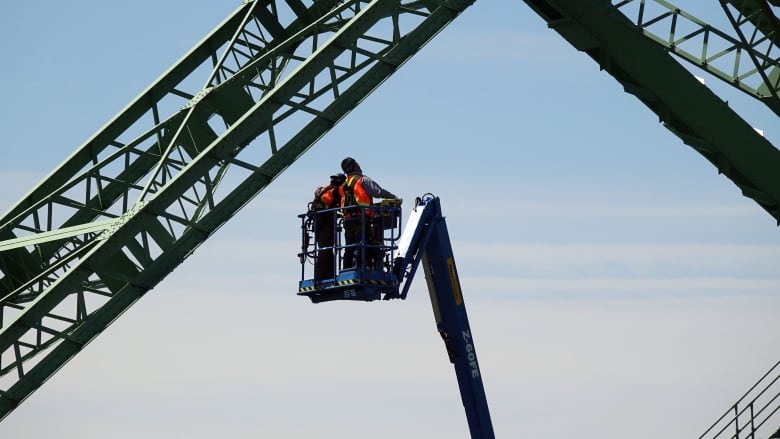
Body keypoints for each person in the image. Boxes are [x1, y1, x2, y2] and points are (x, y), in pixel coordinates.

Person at [338, 157, 399, 271]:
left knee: (349, 247)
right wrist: (393, 197)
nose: (359, 166)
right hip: (361, 218)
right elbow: (378, 192)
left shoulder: (344, 184)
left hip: (347, 220)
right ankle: (359, 268)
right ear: (353, 167)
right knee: (360, 245)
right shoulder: (362, 180)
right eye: (356, 164)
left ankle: (346, 270)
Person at [311, 173, 345, 280]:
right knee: (326, 250)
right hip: (325, 223)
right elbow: (331, 205)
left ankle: (328, 275)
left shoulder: (325, 190)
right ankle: (320, 277)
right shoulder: (333, 192)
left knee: (328, 250)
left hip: (321, 223)